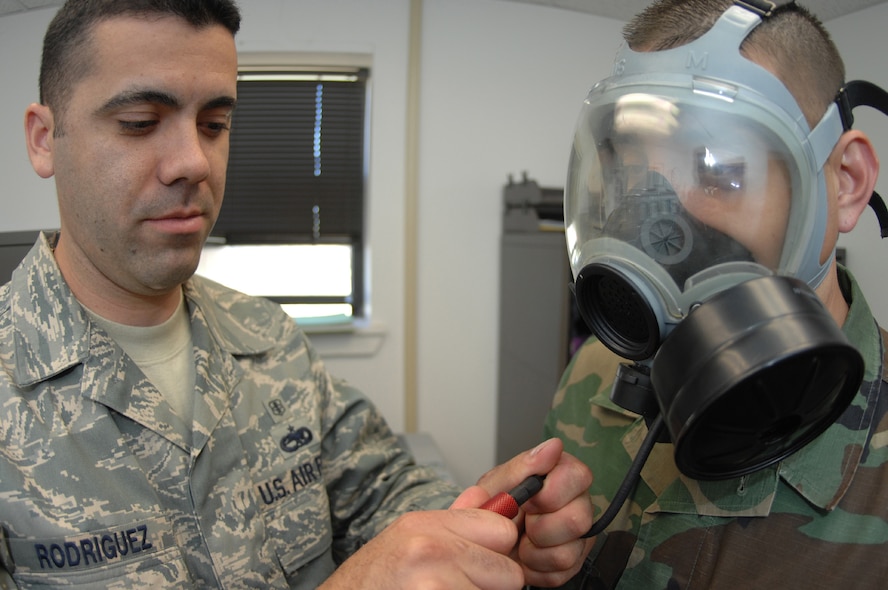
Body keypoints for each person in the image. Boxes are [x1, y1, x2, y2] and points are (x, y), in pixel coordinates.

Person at [0, 1, 596, 587]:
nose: (193, 161)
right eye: (139, 122)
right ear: (45, 139)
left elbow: (382, 488)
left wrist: (482, 529)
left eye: (214, 125)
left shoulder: (266, 337)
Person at [540, 0, 888, 588]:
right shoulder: (596, 369)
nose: (657, 233)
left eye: (718, 172)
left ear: (845, 185)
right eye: (634, 177)